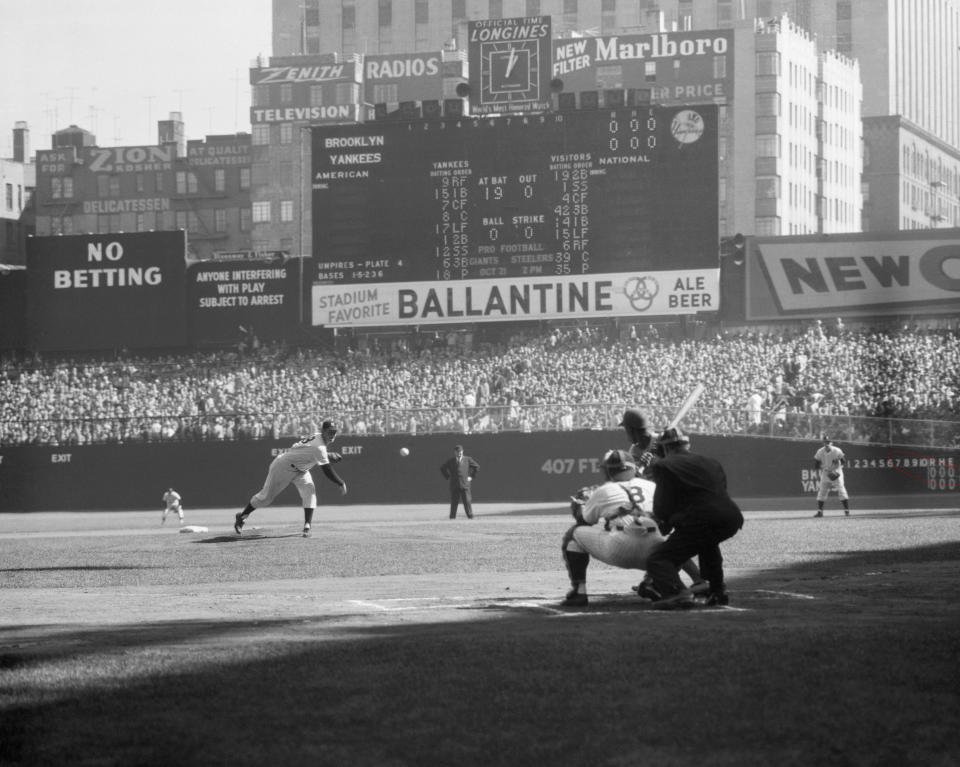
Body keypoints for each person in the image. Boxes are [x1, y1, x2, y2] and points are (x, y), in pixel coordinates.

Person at [561, 448, 707, 607]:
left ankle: (579, 592)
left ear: (609, 471)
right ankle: (658, 583)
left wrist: (581, 507)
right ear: (634, 468)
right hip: (656, 551)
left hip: (618, 549)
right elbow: (668, 517)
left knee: (574, 534)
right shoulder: (651, 486)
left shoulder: (604, 490)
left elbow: (585, 522)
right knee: (674, 544)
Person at [644, 428, 744, 610]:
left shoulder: (663, 466)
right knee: (707, 543)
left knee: (658, 559)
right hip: (731, 517)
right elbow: (716, 493)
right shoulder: (712, 462)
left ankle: (677, 593)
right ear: (687, 444)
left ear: (663, 449)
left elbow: (662, 507)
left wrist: (665, 521)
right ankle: (717, 591)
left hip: (700, 519)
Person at [234, 419, 347, 538]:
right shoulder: (319, 447)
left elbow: (307, 451)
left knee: (310, 492)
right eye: (330, 431)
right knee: (265, 497)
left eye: (334, 432)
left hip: (301, 471)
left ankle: (307, 525)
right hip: (284, 467)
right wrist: (340, 482)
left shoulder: (318, 438)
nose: (332, 434)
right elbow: (327, 470)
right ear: (323, 431)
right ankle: (241, 517)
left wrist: (327, 455)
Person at [813, 435, 850, 517]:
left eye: (828, 442)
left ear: (831, 443)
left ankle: (847, 511)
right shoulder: (820, 452)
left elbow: (844, 462)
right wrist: (820, 472)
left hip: (836, 473)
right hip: (826, 473)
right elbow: (816, 465)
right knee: (822, 491)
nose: (826, 444)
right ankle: (820, 512)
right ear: (823, 443)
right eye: (825, 442)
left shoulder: (837, 450)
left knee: (841, 490)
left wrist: (838, 470)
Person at [440, 444, 479, 519]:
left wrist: (471, 476)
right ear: (455, 452)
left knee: (467, 502)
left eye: (460, 451)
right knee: (454, 503)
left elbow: (476, 467)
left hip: (465, 485)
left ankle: (470, 517)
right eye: (458, 451)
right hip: (455, 485)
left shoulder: (467, 459)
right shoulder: (451, 461)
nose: (459, 453)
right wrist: (448, 476)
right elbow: (442, 468)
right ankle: (452, 518)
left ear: (463, 451)